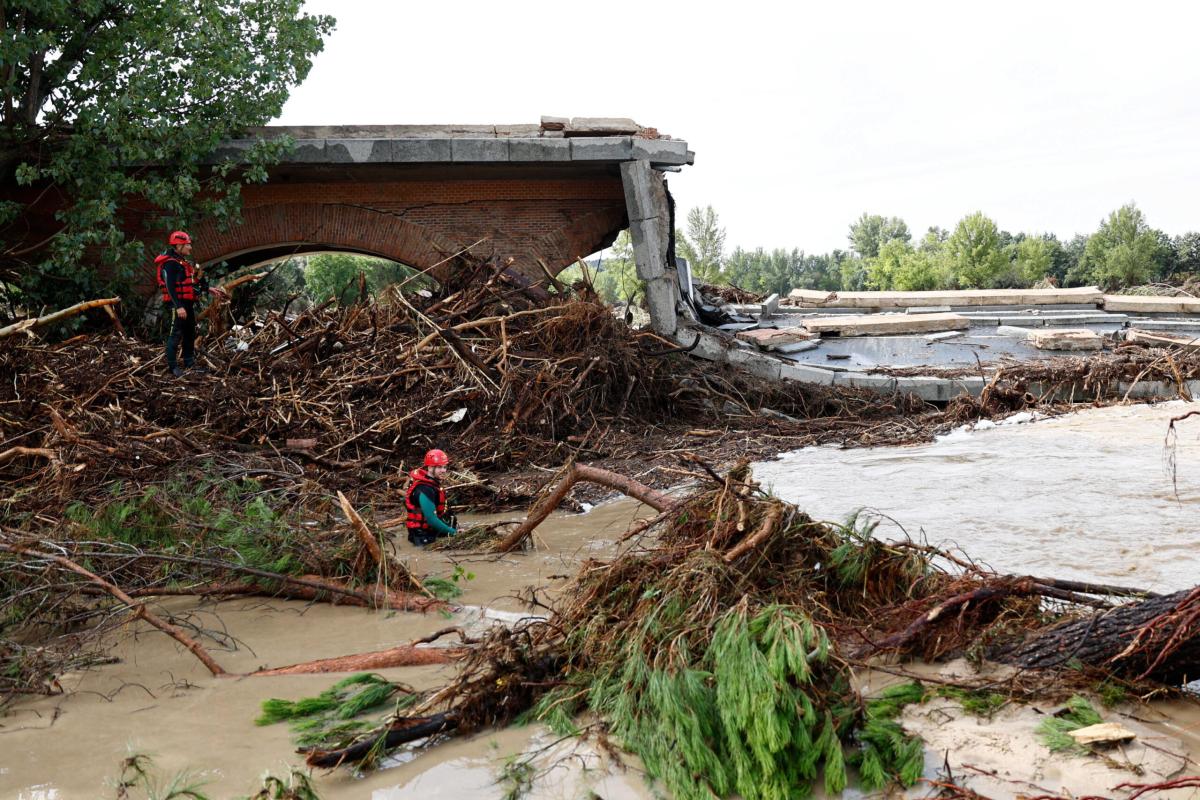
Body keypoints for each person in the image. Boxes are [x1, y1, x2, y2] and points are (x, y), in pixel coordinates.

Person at [156, 230, 207, 377]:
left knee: (190, 332)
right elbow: (170, 286)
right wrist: (178, 306)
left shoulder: (183, 262)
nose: (190, 248)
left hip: (187, 303)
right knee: (175, 334)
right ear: (179, 245)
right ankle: (173, 368)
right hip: (177, 305)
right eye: (187, 245)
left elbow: (192, 283)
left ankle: (189, 363)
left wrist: (209, 289)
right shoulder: (170, 264)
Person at [405, 449, 458, 546]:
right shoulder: (425, 489)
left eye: (444, 467)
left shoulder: (432, 485)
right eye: (439, 467)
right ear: (429, 468)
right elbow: (431, 520)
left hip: (430, 531)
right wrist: (454, 533)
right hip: (421, 536)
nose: (443, 470)